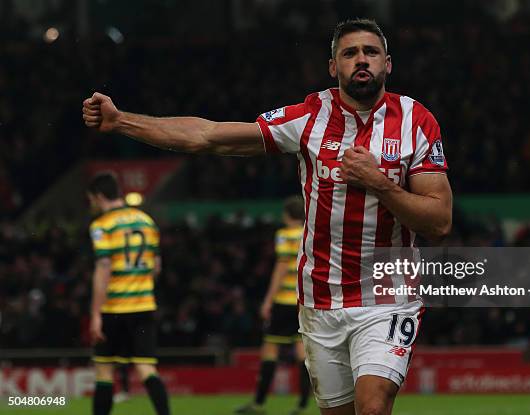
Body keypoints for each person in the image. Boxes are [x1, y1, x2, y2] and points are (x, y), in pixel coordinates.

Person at [83, 18, 452, 415]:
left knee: (373, 406)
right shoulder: (310, 116)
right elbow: (207, 135)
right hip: (320, 301)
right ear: (333, 67)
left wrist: (380, 184)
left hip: (387, 296)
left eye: (370, 52)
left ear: (388, 63)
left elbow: (439, 221)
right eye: (349, 53)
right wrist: (122, 121)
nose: (361, 61)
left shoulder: (417, 121)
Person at [87, 172, 171, 415]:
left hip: (113, 309)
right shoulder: (146, 220)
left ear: (99, 196)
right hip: (144, 306)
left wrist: (95, 314)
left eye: (91, 199)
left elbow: (103, 268)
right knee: (146, 368)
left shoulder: (102, 226)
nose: (91, 204)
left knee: (104, 370)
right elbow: (156, 267)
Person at [236, 195, 310, 415]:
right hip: (303, 302)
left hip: (283, 302)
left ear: (287, 215)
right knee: (302, 353)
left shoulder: (284, 235)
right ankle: (303, 405)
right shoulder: (309, 233)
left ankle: (258, 403)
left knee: (269, 350)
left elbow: (282, 266)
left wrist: (268, 299)